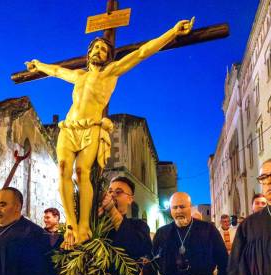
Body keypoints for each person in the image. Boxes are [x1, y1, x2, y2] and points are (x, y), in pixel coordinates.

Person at [25, 19, 193, 246]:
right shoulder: (79, 76)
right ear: (90, 52)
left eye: (104, 50)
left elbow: (142, 52)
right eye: (97, 48)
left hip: (92, 127)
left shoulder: (111, 73)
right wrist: (38, 65)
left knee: (82, 172)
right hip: (70, 127)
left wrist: (172, 32)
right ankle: (72, 225)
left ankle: (84, 225)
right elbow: (55, 71)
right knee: (63, 169)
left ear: (108, 57)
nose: (100, 51)